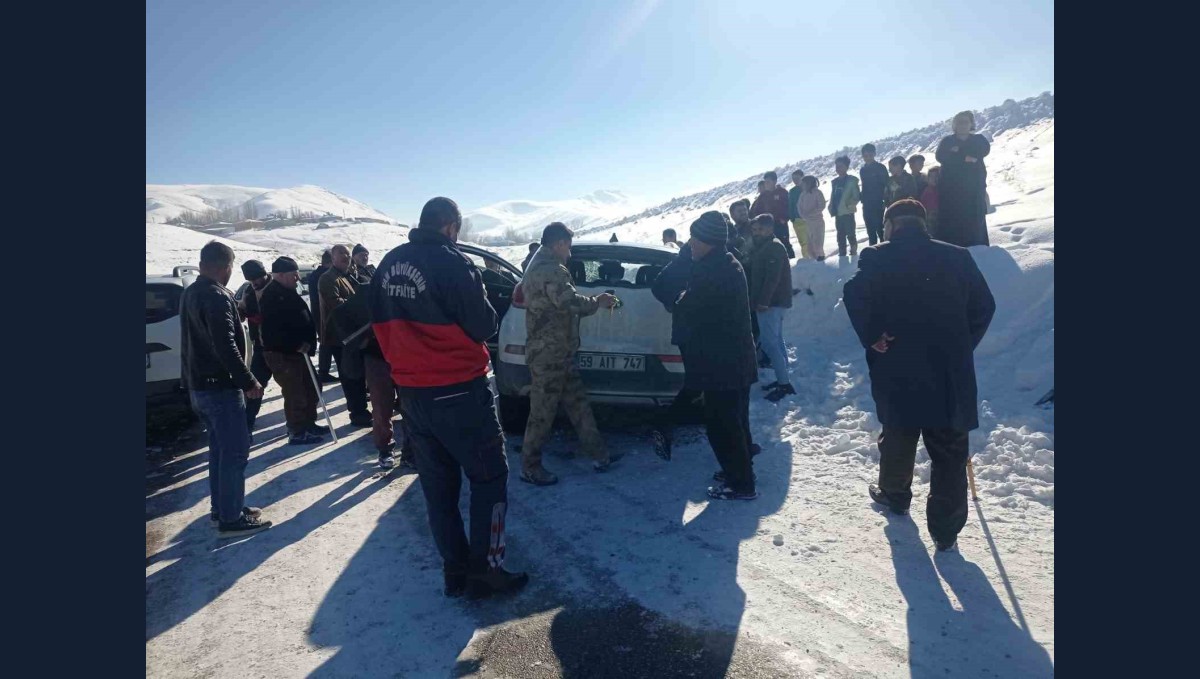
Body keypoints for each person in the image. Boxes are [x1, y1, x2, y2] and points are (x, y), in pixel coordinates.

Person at [368, 196, 528, 600]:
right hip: (459, 390)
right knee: (490, 479)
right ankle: (487, 572)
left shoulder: (388, 263)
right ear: (452, 227)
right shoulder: (453, 262)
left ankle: (454, 571)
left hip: (414, 395)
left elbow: (373, 322)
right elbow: (483, 325)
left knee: (438, 490)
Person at [842, 200, 996, 551]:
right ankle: (945, 532)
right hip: (949, 373)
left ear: (891, 225)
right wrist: (962, 344)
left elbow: (854, 294)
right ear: (922, 224)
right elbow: (985, 306)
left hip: (899, 368)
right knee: (950, 453)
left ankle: (895, 495)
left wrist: (873, 335)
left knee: (898, 436)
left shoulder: (877, 256)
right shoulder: (958, 256)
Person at [180, 241, 271, 538]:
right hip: (220, 387)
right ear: (225, 266)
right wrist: (248, 381)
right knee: (235, 452)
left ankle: (223, 508)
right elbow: (226, 345)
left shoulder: (191, 292)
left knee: (220, 450)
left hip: (199, 387)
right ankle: (230, 519)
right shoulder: (217, 296)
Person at [519, 222, 619, 485]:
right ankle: (530, 467)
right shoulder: (550, 269)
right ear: (560, 244)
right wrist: (598, 301)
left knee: (578, 404)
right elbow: (570, 301)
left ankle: (599, 454)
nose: (570, 253)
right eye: (569, 247)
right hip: (549, 355)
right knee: (542, 413)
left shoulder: (540, 263)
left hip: (559, 351)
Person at [674, 212, 759, 500]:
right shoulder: (725, 262)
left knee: (723, 425)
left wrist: (681, 300)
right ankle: (739, 471)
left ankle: (741, 484)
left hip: (722, 362)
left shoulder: (712, 270)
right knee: (735, 421)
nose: (691, 245)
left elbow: (691, 308)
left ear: (708, 241)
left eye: (695, 240)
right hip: (734, 359)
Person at [260, 257, 328, 446]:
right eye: (293, 274)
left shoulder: (287, 291)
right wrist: (295, 344)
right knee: (295, 392)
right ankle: (297, 430)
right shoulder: (272, 295)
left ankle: (308, 423)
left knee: (312, 387)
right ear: (280, 275)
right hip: (283, 354)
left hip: (298, 353)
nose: (298, 278)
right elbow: (273, 330)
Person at [320, 245, 371, 427]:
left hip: (354, 333)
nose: (346, 257)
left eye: (348, 254)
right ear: (332, 258)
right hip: (340, 336)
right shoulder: (328, 278)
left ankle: (361, 409)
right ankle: (357, 413)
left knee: (358, 374)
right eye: (341, 254)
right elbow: (336, 304)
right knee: (350, 376)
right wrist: (358, 303)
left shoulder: (346, 276)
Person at [747, 215, 795, 402]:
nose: (755, 233)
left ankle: (784, 383)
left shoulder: (773, 246)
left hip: (771, 303)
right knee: (777, 340)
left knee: (769, 343)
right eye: (754, 230)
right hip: (773, 302)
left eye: (759, 229)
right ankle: (784, 378)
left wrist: (763, 301)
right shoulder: (767, 246)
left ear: (768, 228)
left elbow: (772, 278)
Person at [935, 110, 992, 247]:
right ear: (954, 125)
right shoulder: (948, 141)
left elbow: (983, 151)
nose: (962, 125)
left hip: (974, 189)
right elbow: (941, 156)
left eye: (965, 122)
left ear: (971, 124)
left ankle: (979, 250)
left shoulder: (979, 139)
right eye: (959, 122)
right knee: (953, 220)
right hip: (952, 190)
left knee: (975, 221)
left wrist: (956, 153)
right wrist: (963, 157)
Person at [236, 259, 273, 433]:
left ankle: (301, 425)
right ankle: (247, 423)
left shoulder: (277, 286)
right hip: (260, 346)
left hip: (281, 345)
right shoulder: (249, 290)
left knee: (296, 387)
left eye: (257, 278)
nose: (255, 282)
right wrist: (241, 312)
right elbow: (242, 310)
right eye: (251, 280)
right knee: (256, 385)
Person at [750, 171, 796, 259]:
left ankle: (791, 261)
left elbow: (788, 206)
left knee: (784, 243)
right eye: (765, 182)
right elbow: (756, 211)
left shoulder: (782, 192)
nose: (766, 184)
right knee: (770, 245)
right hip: (767, 226)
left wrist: (784, 218)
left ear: (774, 181)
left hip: (780, 224)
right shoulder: (763, 196)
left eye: (768, 182)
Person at [308, 251, 338, 383]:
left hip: (318, 313)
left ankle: (323, 371)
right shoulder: (323, 275)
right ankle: (323, 372)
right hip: (324, 314)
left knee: (326, 343)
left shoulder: (315, 274)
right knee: (327, 343)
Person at [829, 156, 861, 257]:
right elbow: (832, 196)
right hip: (838, 212)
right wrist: (831, 206)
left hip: (848, 212)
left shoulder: (852, 180)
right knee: (840, 234)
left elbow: (856, 196)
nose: (838, 168)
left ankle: (853, 251)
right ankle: (842, 253)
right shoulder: (834, 182)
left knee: (850, 232)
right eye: (837, 166)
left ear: (846, 167)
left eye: (841, 166)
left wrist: (850, 205)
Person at [859, 143, 889, 246]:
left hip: (878, 203)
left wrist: (885, 201)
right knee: (870, 231)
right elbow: (864, 186)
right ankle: (873, 252)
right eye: (865, 156)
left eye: (870, 155)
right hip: (867, 204)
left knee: (880, 229)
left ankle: (884, 251)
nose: (867, 158)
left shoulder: (880, 167)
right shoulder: (862, 170)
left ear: (874, 154)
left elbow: (886, 185)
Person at [796, 175, 827, 261]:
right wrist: (803, 215)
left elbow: (822, 205)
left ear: (809, 183)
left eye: (804, 184)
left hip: (817, 221)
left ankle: (821, 259)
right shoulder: (803, 194)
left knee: (818, 243)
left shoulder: (817, 193)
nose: (802, 185)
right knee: (809, 245)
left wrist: (812, 213)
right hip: (807, 222)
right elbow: (799, 206)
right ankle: (814, 260)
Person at [786, 169, 809, 259]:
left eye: (797, 178)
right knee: (803, 241)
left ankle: (813, 259)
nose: (795, 180)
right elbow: (790, 205)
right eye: (793, 178)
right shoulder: (792, 191)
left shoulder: (808, 189)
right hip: (797, 219)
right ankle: (807, 258)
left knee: (811, 240)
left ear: (802, 177)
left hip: (809, 219)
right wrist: (792, 218)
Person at [920, 166, 941, 237]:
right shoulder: (926, 191)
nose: (934, 179)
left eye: (936, 176)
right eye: (931, 177)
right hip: (929, 218)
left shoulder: (942, 190)